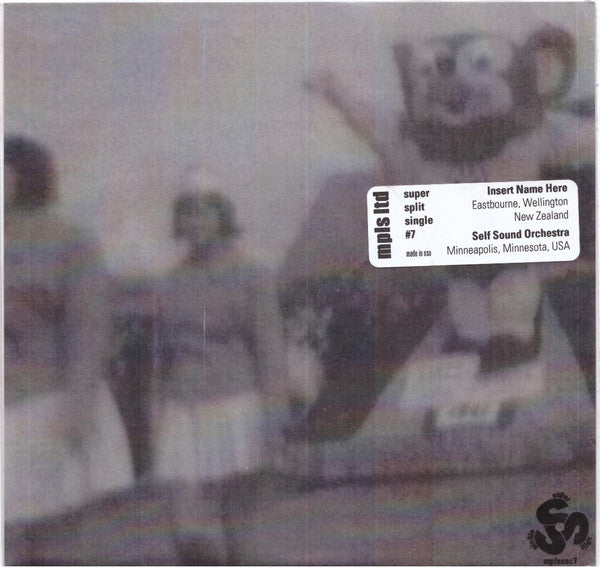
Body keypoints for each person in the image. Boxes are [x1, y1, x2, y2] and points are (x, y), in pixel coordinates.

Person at [4, 136, 134, 563]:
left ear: (24, 174)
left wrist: (79, 407)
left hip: (53, 404)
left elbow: (89, 329)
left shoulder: (70, 241)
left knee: (59, 534)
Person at [151, 190, 289, 563]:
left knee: (239, 520)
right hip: (181, 410)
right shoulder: (169, 282)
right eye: (187, 214)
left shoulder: (251, 274)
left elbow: (270, 350)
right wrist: (155, 416)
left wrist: (274, 415)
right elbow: (159, 358)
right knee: (185, 525)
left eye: (205, 213)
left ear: (222, 218)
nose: (195, 223)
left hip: (236, 407)